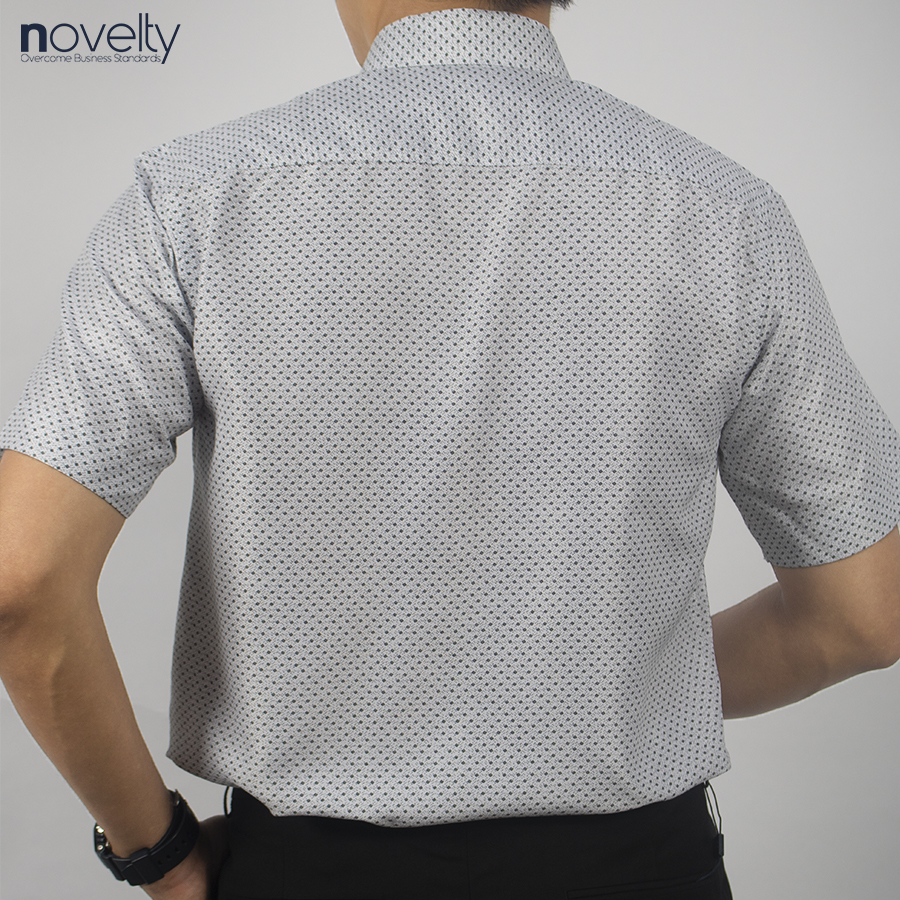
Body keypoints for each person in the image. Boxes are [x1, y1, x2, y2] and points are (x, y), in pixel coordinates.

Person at [1, 0, 899, 898]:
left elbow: (22, 578)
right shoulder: (727, 213)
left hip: (307, 875)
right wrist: (616, 686)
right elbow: (865, 613)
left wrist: (158, 857)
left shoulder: (193, 196)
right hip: (641, 871)